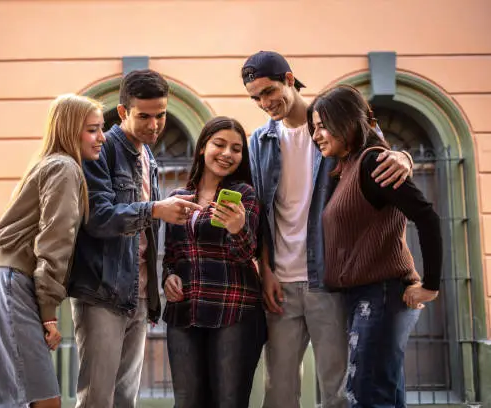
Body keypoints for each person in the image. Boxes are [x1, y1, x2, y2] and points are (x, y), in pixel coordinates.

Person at [242, 51, 415, 408]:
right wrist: (267, 271)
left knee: (337, 390)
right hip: (281, 284)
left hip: (331, 280)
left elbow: (382, 156)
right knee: (279, 393)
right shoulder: (258, 142)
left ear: (290, 79)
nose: (264, 102)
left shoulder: (334, 121)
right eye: (256, 97)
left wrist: (404, 158)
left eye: (269, 91)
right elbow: (260, 214)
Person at [67, 69, 202, 408]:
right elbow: (97, 217)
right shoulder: (102, 149)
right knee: (98, 399)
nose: (155, 124)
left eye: (161, 115)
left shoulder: (149, 157)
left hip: (139, 294)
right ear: (124, 111)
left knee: (126, 399)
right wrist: (156, 208)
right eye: (144, 116)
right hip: (101, 292)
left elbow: (146, 237)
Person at [308, 84, 442, 407]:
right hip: (363, 298)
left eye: (322, 125)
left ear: (347, 121)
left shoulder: (372, 164)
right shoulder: (347, 167)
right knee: (383, 397)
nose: (316, 135)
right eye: (313, 128)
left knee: (367, 397)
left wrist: (431, 285)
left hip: (380, 296)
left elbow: (426, 217)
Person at [0, 94, 105, 408]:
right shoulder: (64, 168)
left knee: (10, 400)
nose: (101, 137)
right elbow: (54, 242)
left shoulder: (47, 165)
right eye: (92, 129)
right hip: (11, 287)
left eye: (101, 128)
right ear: (69, 130)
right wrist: (48, 314)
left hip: (2, 284)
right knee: (42, 402)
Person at [162, 116, 267, 408]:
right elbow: (171, 254)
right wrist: (168, 276)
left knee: (229, 402)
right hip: (185, 311)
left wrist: (238, 229)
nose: (227, 154)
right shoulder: (177, 198)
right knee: (187, 402)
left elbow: (248, 254)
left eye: (236, 149)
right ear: (202, 149)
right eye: (219, 144)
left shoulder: (245, 196)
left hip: (233, 309)